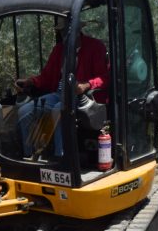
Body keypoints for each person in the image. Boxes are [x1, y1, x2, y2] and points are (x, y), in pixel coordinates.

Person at [14, 17, 109, 158]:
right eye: (62, 31)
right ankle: (31, 155)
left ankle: (62, 157)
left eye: (67, 30)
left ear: (77, 30)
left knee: (59, 109)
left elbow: (104, 77)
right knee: (24, 111)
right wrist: (30, 81)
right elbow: (46, 76)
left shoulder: (95, 47)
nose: (64, 34)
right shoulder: (59, 50)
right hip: (59, 93)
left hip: (83, 97)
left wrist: (86, 85)